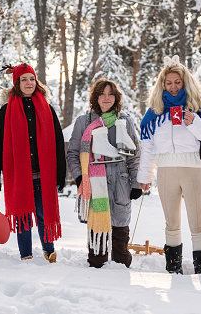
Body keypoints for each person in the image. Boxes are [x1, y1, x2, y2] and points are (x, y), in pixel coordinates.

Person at [137, 55, 201, 274]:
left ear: (185, 83)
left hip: (193, 170)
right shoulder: (154, 113)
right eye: (169, 83)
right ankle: (173, 268)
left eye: (177, 82)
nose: (173, 87)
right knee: (171, 224)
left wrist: (194, 123)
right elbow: (148, 147)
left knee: (197, 224)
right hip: (166, 173)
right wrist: (145, 176)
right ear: (162, 85)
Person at [0, 63, 66, 263]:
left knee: (43, 214)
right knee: (23, 217)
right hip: (19, 176)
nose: (29, 83)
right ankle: (26, 256)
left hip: (44, 175)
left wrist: (60, 173)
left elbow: (58, 142)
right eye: (24, 79)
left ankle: (49, 252)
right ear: (16, 83)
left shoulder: (47, 109)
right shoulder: (6, 111)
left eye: (31, 79)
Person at [67, 78, 142, 268]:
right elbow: (73, 154)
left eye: (110, 94)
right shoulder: (84, 122)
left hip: (120, 182)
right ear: (96, 98)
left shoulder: (125, 121)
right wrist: (79, 177)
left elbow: (135, 155)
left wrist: (136, 184)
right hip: (94, 182)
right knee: (97, 246)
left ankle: (121, 271)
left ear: (116, 98)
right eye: (102, 94)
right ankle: (97, 273)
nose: (106, 98)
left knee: (120, 234)